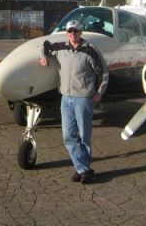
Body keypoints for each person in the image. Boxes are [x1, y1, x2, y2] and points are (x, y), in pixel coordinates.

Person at [39, 19, 109, 183]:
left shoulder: (91, 50)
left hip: (83, 99)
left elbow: (104, 73)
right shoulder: (61, 47)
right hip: (66, 98)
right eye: (70, 31)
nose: (72, 34)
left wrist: (99, 93)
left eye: (75, 31)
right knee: (68, 135)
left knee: (84, 136)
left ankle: (82, 169)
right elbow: (45, 44)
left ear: (81, 32)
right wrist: (44, 57)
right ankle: (83, 169)